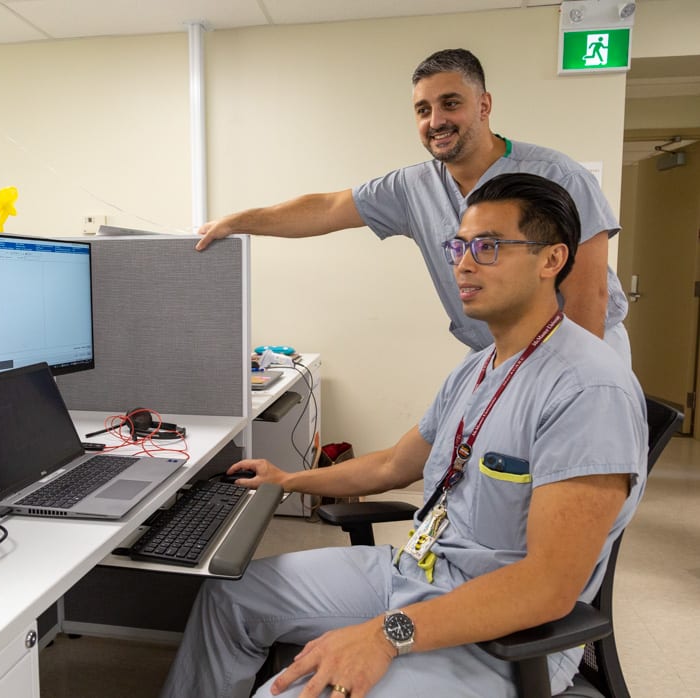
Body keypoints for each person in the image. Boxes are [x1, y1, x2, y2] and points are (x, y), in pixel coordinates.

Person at [161, 173, 647, 698]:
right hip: (419, 572)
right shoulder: (482, 365)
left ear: (551, 260)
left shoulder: (588, 389)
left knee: (290, 693)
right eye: (458, 245)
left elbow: (548, 588)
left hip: (500, 633)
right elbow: (396, 464)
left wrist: (383, 635)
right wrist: (287, 478)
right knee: (230, 598)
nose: (462, 262)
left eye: (487, 247)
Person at [195, 48, 630, 363]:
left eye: (450, 104)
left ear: (484, 106)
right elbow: (327, 208)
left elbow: (587, 297)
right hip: (494, 348)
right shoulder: (412, 187)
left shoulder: (558, 175)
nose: (435, 120)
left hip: (577, 345)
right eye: (423, 109)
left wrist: (571, 379)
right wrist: (236, 221)